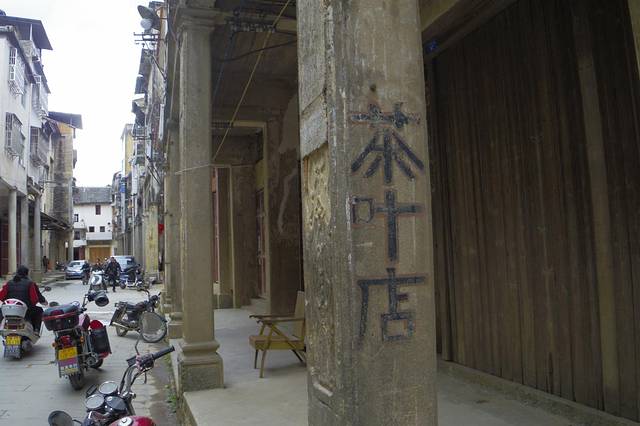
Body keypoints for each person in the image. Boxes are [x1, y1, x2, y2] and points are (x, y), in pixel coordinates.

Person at [0, 265, 48, 333]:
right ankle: (36, 330)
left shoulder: (9, 283)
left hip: (9, 310)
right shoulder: (30, 283)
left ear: (17, 273)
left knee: (1, 311)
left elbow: (1, 296)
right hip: (25, 311)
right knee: (39, 311)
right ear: (27, 273)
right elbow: (34, 299)